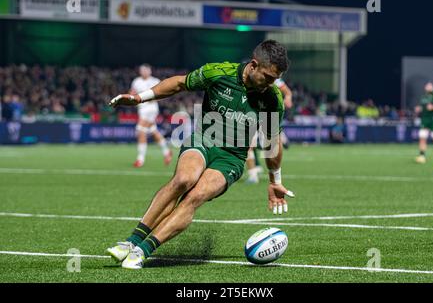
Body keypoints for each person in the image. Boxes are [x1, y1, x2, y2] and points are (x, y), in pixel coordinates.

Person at [106, 40, 295, 269]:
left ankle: (143, 251)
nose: (272, 84)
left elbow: (271, 142)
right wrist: (139, 98)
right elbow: (179, 84)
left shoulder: (272, 99)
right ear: (253, 65)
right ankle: (131, 242)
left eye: (276, 79)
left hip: (231, 158)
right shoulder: (218, 72)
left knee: (195, 197)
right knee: (184, 179)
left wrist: (275, 181)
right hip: (204, 140)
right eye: (268, 77)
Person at [246, 78, 292, 184]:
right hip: (252, 113)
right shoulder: (249, 78)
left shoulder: (272, 77)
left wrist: (288, 98)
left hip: (267, 114)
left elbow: (287, 91)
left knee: (270, 148)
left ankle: (275, 175)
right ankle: (253, 175)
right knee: (248, 145)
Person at [130, 64, 172, 168]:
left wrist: (150, 99)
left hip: (151, 108)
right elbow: (132, 93)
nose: (144, 72)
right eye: (142, 70)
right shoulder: (136, 81)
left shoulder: (155, 81)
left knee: (140, 130)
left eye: (146, 70)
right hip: (141, 108)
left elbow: (162, 94)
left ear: (150, 71)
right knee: (153, 131)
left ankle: (140, 159)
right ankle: (167, 152)